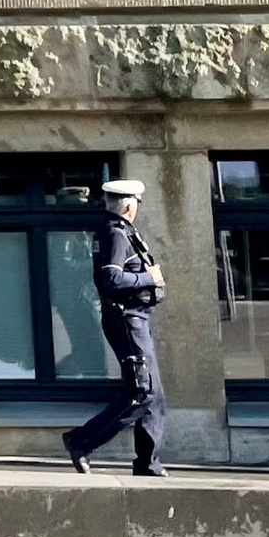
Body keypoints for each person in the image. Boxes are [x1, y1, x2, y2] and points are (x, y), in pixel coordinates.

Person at [62, 179, 168, 477]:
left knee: (154, 394)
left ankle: (148, 463)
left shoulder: (121, 232)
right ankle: (81, 441)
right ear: (130, 206)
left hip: (137, 319)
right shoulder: (114, 234)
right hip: (127, 319)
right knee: (141, 391)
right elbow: (110, 280)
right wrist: (149, 278)